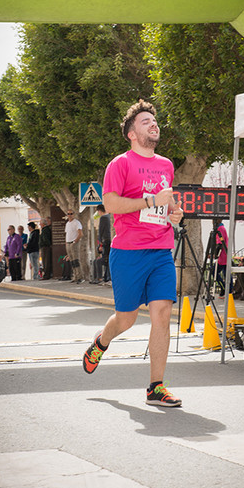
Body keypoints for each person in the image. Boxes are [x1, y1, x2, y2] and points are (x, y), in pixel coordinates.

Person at [82, 99, 184, 407]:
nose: (153, 124)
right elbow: (111, 205)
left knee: (162, 315)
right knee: (126, 319)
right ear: (131, 133)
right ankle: (100, 342)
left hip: (161, 250)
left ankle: (156, 386)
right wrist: (151, 201)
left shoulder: (166, 165)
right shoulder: (120, 164)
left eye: (154, 121)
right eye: (145, 122)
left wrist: (173, 214)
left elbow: (167, 206)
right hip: (128, 252)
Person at [65, 209, 84, 283]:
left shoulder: (77, 223)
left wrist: (75, 241)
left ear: (73, 214)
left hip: (74, 243)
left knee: (76, 260)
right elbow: (67, 234)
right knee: (72, 260)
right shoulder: (67, 223)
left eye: (71, 213)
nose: (69, 215)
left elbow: (80, 234)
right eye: (68, 214)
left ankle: (80, 277)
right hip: (68, 243)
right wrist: (66, 243)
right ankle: (75, 276)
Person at [95, 203, 111, 283]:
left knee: (104, 259)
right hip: (111, 240)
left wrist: (100, 243)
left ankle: (101, 278)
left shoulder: (103, 218)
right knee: (108, 259)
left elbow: (100, 231)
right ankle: (107, 277)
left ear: (100, 211)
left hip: (105, 241)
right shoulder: (110, 216)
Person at [214, 220, 230, 297]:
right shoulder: (221, 228)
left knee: (214, 272)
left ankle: (224, 288)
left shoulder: (220, 228)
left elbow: (220, 243)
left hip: (223, 255)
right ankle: (228, 291)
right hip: (224, 255)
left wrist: (215, 254)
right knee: (226, 274)